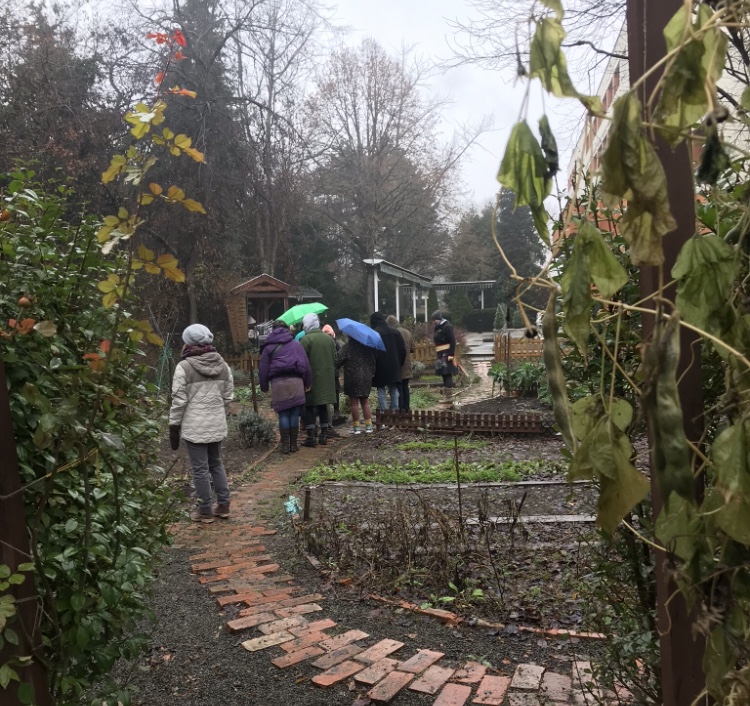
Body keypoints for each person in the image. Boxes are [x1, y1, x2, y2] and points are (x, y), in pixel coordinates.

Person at [169, 324, 234, 524]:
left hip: (194, 426)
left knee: (200, 469)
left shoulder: (184, 367)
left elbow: (179, 400)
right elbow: (228, 396)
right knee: (216, 463)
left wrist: (174, 426)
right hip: (216, 423)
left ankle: (205, 511)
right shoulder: (222, 365)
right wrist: (219, 413)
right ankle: (223, 505)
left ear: (188, 342)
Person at [258, 320, 312, 454]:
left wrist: (264, 386)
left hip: (278, 384)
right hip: (296, 382)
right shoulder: (296, 345)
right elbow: (306, 365)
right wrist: (308, 383)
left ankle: (285, 446)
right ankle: (293, 444)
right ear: (287, 330)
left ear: (273, 330)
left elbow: (263, 368)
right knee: (294, 414)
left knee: (283, 414)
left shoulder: (268, 347)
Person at [300, 313, 338, 447]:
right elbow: (335, 359)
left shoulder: (305, 340)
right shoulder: (329, 340)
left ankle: (311, 436)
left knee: (309, 406)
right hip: (327, 379)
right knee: (323, 405)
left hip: (312, 379)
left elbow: (302, 362)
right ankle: (324, 434)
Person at [369, 312, 406, 423]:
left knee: (381, 390)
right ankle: (395, 413)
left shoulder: (375, 333)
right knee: (394, 390)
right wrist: (399, 363)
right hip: (394, 366)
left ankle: (384, 414)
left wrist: (373, 365)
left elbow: (372, 352)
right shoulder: (395, 332)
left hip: (380, 366)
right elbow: (403, 350)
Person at [336, 336, 377, 434]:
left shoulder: (347, 347)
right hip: (366, 377)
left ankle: (356, 428)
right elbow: (373, 362)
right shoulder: (367, 347)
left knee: (354, 403)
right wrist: (371, 373)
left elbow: (337, 361)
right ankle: (368, 427)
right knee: (365, 402)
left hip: (352, 377)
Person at [322, 324, 347, 432]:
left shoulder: (322, 343)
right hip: (333, 371)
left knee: (327, 392)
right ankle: (336, 412)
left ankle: (328, 413)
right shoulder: (335, 343)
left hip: (324, 372)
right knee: (335, 391)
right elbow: (340, 356)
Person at [386, 315, 414, 411]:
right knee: (405, 387)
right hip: (407, 363)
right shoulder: (407, 332)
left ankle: (401, 408)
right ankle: (407, 408)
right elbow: (412, 348)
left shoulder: (394, 333)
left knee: (399, 387)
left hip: (398, 363)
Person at [432, 310, 458, 394]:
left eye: (435, 320)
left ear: (439, 319)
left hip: (446, 353)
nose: (433, 322)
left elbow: (452, 341)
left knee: (447, 373)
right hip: (440, 353)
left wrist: (451, 354)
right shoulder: (438, 328)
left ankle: (449, 392)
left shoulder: (447, 327)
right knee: (443, 373)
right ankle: (446, 391)